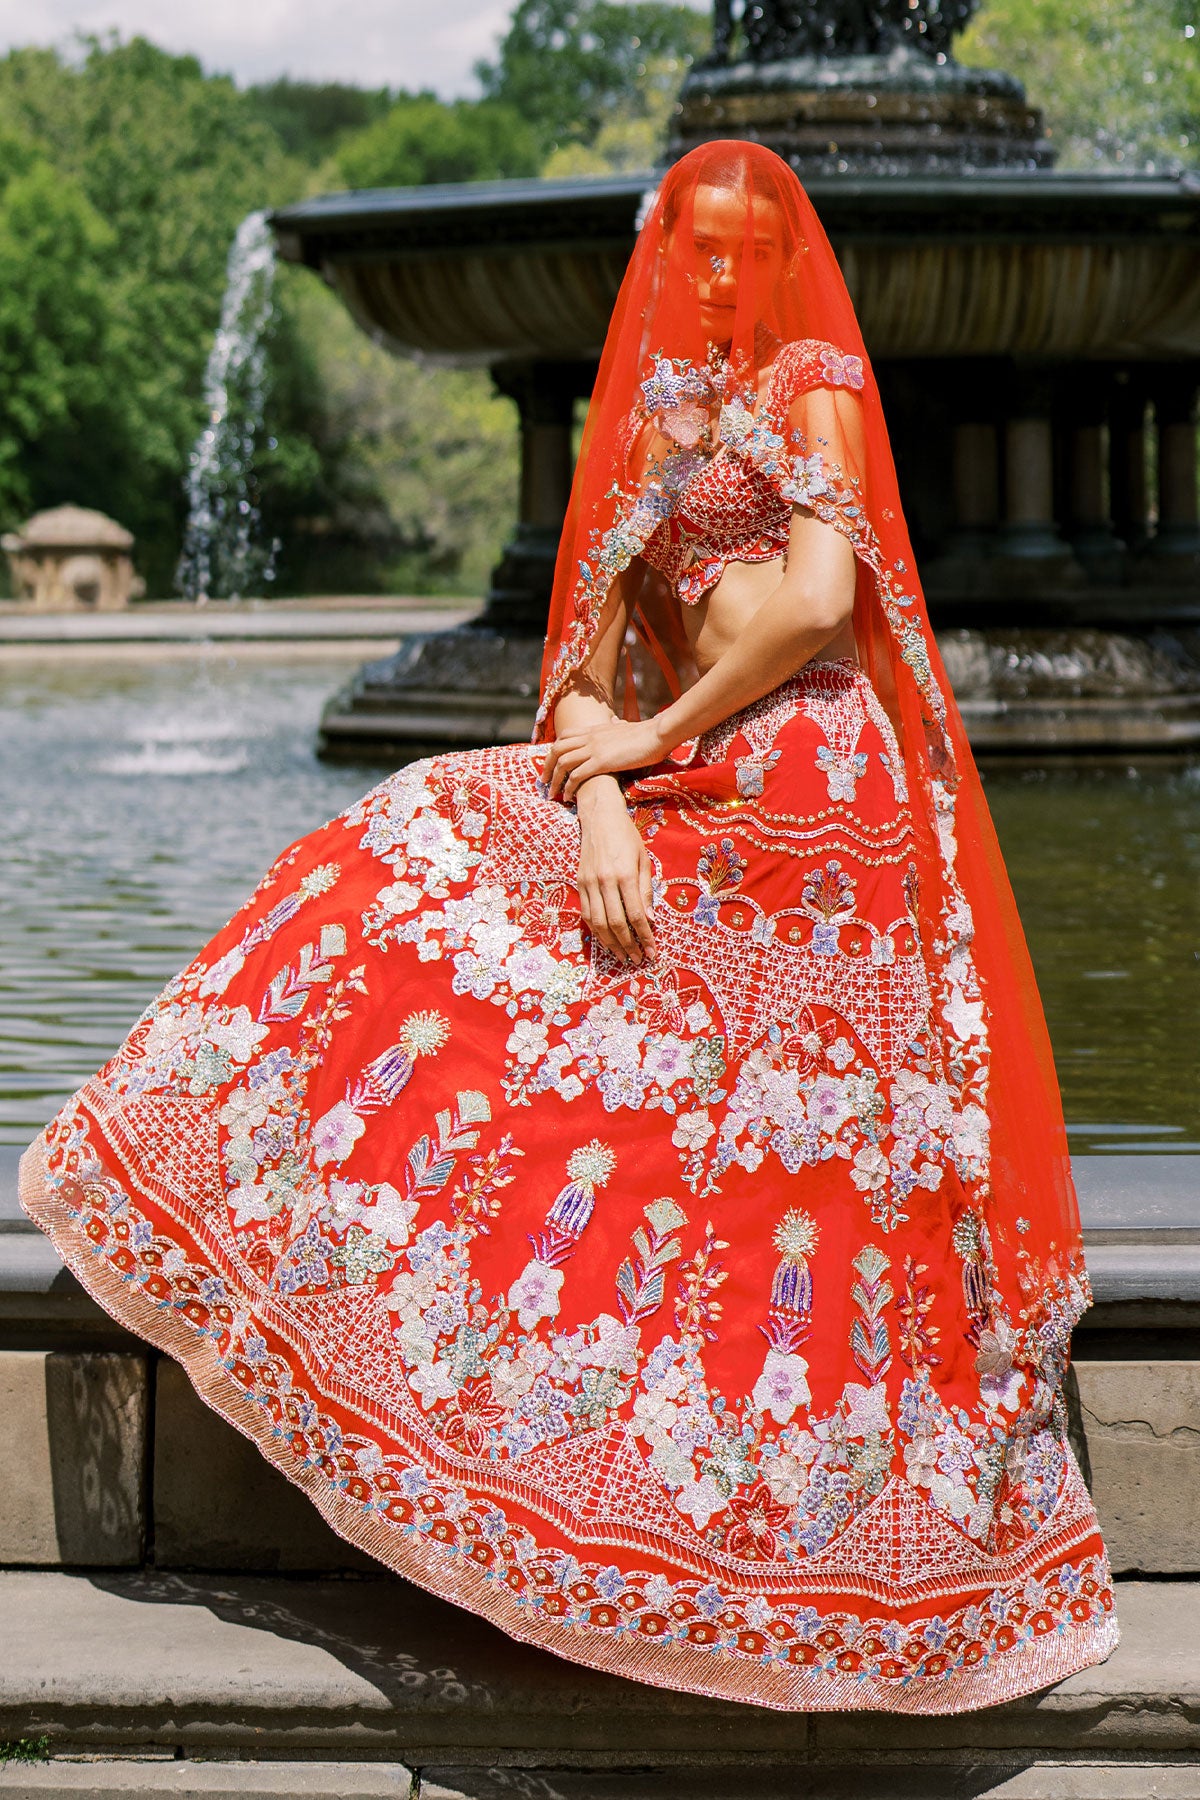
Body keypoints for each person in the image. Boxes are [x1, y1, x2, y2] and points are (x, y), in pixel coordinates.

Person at [19, 140, 1116, 1714]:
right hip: (674, 767)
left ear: (782, 257)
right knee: (402, 835)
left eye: (747, 246)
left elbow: (816, 605)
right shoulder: (651, 421)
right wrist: (605, 793)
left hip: (813, 774)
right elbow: (579, 676)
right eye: (700, 246)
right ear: (664, 253)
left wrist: (660, 742)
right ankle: (263, 1229)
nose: (724, 272)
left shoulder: (814, 378)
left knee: (765, 1123)